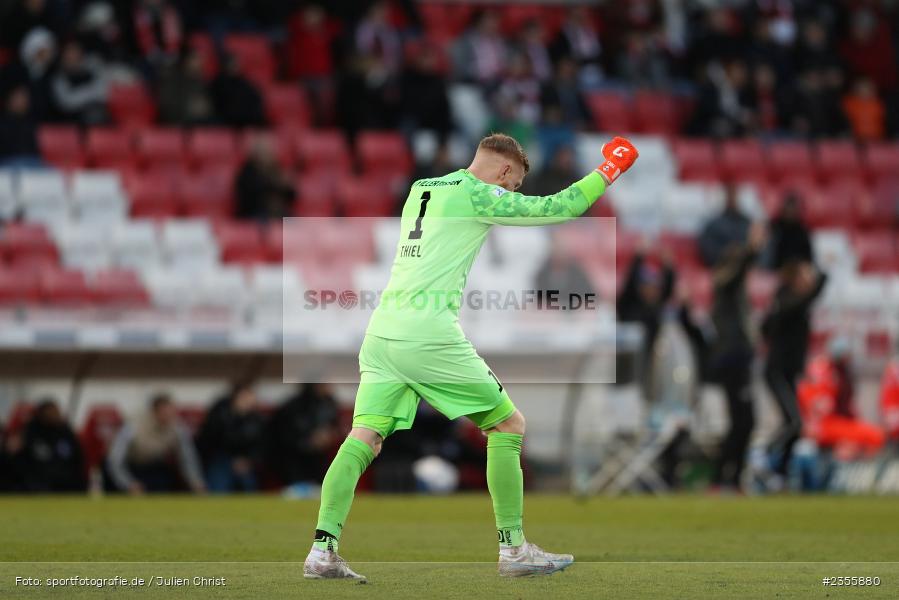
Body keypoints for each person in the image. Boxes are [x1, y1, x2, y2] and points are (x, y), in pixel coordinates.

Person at [304, 133, 638, 580]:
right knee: (508, 424)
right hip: (428, 333)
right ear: (503, 173)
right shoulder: (478, 194)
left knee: (364, 436)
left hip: (382, 331)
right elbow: (561, 207)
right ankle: (513, 549)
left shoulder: (423, 188)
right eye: (514, 184)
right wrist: (610, 169)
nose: (511, 194)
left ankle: (321, 550)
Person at [707, 222, 766, 492]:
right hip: (733, 358)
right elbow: (739, 271)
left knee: (743, 421)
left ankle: (729, 479)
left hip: (738, 358)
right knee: (743, 421)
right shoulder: (726, 285)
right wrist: (751, 250)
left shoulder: (728, 291)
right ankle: (724, 478)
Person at [760, 261, 827, 485]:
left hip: (788, 372)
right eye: (804, 276)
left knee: (795, 425)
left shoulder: (788, 302)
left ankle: (780, 473)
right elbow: (807, 298)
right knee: (793, 422)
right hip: (777, 370)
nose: (808, 281)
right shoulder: (786, 300)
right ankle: (762, 459)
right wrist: (823, 275)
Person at [106, 393, 205, 494]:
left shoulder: (177, 428)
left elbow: (187, 458)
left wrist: (195, 482)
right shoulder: (133, 426)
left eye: (172, 411)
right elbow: (115, 459)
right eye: (165, 412)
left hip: (156, 470)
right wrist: (128, 484)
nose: (169, 415)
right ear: (154, 411)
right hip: (131, 468)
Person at [197, 384, 266, 493]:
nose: (248, 401)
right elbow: (210, 440)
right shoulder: (219, 413)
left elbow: (261, 445)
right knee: (218, 487)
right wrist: (236, 416)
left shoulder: (257, 419)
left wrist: (248, 460)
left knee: (249, 486)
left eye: (250, 397)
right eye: (244, 397)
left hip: (245, 461)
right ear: (234, 398)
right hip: (220, 458)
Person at [267, 383, 340, 487]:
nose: (330, 387)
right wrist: (309, 440)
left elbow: (335, 427)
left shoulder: (329, 404)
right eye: (325, 384)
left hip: (320, 456)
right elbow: (282, 435)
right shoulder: (293, 406)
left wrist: (329, 435)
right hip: (292, 457)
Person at [13, 399, 85, 492]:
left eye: (56, 411)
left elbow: (77, 457)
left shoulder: (65, 432)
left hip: (66, 481)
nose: (55, 414)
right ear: (42, 413)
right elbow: (22, 462)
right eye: (51, 412)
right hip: (38, 483)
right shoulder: (30, 433)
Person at [234, 139, 294, 221]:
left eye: (268, 151)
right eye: (262, 151)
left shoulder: (275, 169)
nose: (266, 154)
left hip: (278, 212)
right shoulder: (247, 171)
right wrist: (276, 184)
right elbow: (250, 196)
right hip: (255, 214)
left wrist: (288, 186)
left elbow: (291, 196)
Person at [51, 39, 108, 126]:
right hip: (71, 124)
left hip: (99, 121)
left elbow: (104, 92)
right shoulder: (59, 77)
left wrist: (80, 94)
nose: (73, 55)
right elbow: (67, 102)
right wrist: (91, 92)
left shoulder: (92, 68)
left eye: (75, 51)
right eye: (69, 52)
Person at [766, 193, 812, 271]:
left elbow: (808, 259)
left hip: (796, 273)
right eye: (788, 207)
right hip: (773, 271)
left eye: (793, 208)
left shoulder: (802, 231)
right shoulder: (774, 227)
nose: (790, 211)